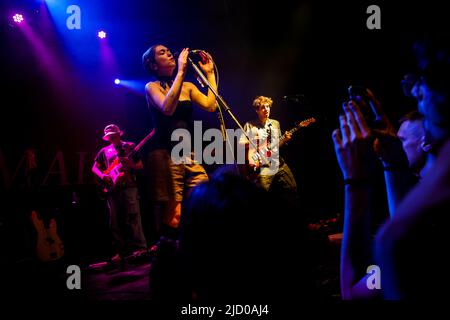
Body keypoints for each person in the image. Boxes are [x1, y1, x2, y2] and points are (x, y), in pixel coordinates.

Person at [142, 45, 217, 238]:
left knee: (203, 198)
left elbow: (211, 105)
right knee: (174, 212)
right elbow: (167, 107)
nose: (169, 53)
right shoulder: (152, 87)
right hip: (166, 151)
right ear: (152, 64)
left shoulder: (187, 86)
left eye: (168, 51)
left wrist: (209, 75)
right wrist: (182, 70)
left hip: (187, 151)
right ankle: (165, 256)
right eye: (162, 52)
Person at [92, 124, 147, 261]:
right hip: (112, 189)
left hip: (129, 186)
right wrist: (103, 176)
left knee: (133, 217)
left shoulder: (129, 146)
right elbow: (94, 168)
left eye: (114, 135)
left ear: (119, 134)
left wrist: (130, 164)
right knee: (115, 221)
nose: (112, 138)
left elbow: (140, 165)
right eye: (109, 136)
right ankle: (120, 251)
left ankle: (140, 248)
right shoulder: (104, 151)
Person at [239, 96, 298, 198]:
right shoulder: (250, 125)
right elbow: (240, 144)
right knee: (261, 195)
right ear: (257, 110)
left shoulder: (275, 123)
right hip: (263, 166)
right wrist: (255, 140)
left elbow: (276, 145)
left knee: (292, 189)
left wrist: (284, 140)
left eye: (268, 107)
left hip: (278, 163)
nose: (266, 109)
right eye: (263, 107)